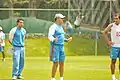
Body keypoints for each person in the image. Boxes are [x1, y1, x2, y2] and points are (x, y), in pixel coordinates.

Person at [48, 13, 72, 80]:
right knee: (56, 63)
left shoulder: (61, 27)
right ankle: (52, 78)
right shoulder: (53, 26)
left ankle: (61, 78)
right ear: (57, 19)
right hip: (55, 47)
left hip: (61, 46)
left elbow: (61, 37)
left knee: (62, 62)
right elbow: (50, 35)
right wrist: (53, 39)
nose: (63, 19)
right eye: (61, 18)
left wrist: (66, 40)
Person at [103, 14, 120, 80]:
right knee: (113, 61)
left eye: (117, 18)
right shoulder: (111, 25)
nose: (115, 20)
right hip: (115, 46)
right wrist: (108, 42)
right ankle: (113, 77)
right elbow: (104, 33)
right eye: (114, 19)